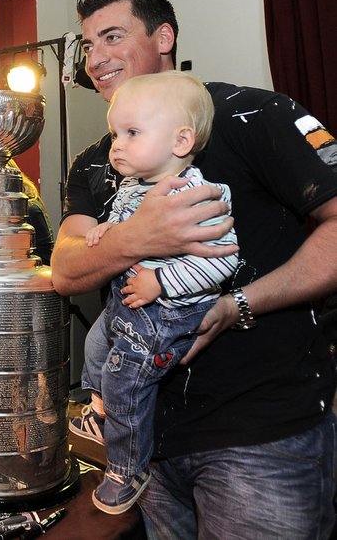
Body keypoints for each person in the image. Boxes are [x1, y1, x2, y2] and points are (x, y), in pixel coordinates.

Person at [53, 0, 337, 538]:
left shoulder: (255, 114)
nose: (96, 58)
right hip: (148, 448)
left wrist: (238, 305)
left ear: (164, 37)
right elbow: (65, 269)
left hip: (260, 436)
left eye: (112, 36)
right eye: (87, 45)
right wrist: (140, 235)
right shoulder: (94, 160)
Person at [76, 71, 239, 514]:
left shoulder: (199, 194)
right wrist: (112, 230)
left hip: (166, 311)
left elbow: (222, 261)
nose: (117, 145)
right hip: (127, 300)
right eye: (114, 134)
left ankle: (127, 468)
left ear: (181, 141)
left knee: (125, 380)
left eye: (132, 133)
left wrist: (161, 282)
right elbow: (132, 229)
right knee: (95, 346)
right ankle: (99, 407)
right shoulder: (133, 186)